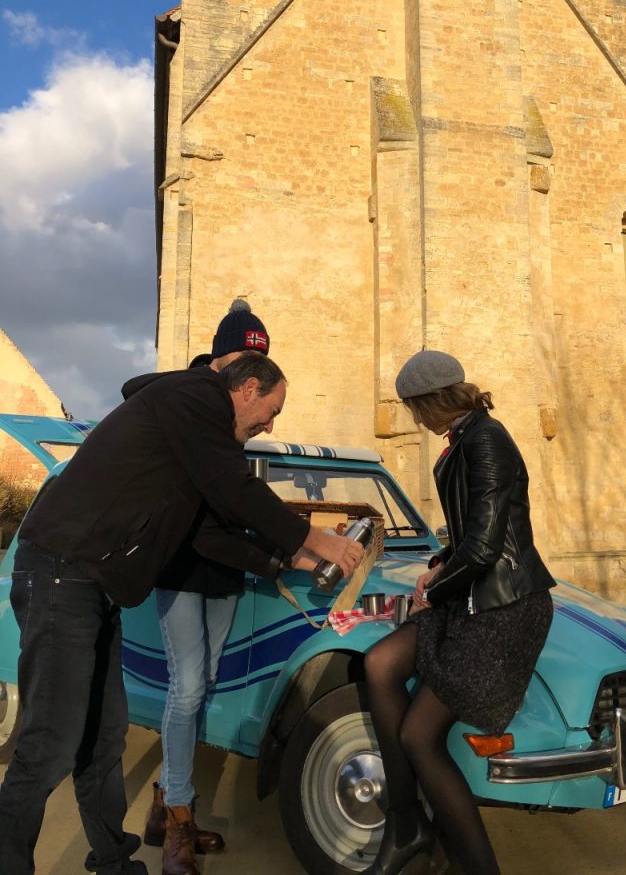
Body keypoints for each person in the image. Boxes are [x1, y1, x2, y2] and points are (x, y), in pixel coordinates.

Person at [0, 352, 363, 875]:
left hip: (92, 586)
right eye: (273, 409)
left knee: (104, 740)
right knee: (50, 744)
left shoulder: (189, 430)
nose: (271, 422)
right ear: (248, 388)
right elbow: (233, 488)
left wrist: (287, 558)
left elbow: (204, 532)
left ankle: (114, 862)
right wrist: (314, 537)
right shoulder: (196, 399)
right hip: (62, 574)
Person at [363, 350, 556, 875]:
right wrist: (438, 563)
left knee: (418, 737)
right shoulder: (468, 437)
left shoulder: (487, 439)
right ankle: (405, 825)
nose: (414, 420)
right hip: (470, 597)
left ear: (430, 402)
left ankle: (473, 864)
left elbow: (486, 548)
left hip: (503, 608)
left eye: (413, 408)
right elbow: (470, 536)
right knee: (378, 664)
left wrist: (435, 589)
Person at [129, 300, 278, 873]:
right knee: (187, 688)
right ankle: (178, 826)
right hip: (182, 565)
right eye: (243, 356)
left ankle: (165, 801)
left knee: (204, 683)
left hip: (224, 570)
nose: (251, 370)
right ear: (222, 357)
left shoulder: (238, 410)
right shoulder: (189, 397)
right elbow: (132, 386)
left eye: (258, 359)